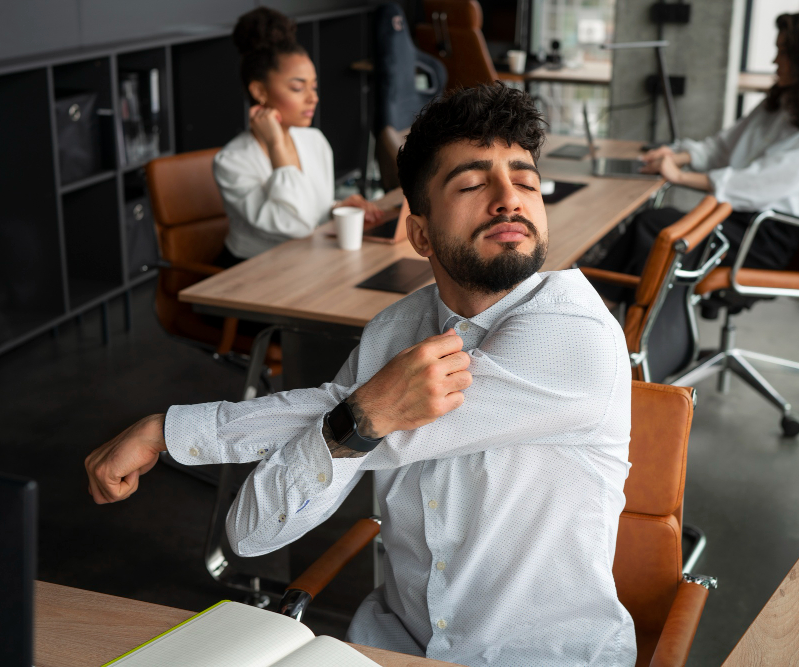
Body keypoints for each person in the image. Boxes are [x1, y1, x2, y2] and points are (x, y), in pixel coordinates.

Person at [85, 84, 636, 666]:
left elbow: (354, 414)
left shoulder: (575, 334)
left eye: (525, 181)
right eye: (474, 184)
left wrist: (173, 431)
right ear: (419, 233)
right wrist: (356, 416)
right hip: (394, 644)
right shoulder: (396, 329)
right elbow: (251, 534)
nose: (508, 199)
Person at [592, 7, 799, 301]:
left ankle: (600, 312)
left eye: (783, 53)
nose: (774, 61)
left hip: (763, 235)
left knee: (652, 227)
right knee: (650, 226)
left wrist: (680, 177)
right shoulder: (784, 102)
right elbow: (722, 147)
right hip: (734, 220)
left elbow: (757, 185)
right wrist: (679, 156)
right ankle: (605, 310)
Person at [214, 8, 382, 266]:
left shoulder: (313, 140)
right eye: (297, 87)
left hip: (308, 263)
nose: (312, 97)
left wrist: (334, 208)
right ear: (259, 90)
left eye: (313, 86)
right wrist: (275, 145)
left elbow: (307, 212)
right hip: (252, 274)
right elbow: (296, 225)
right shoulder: (232, 161)